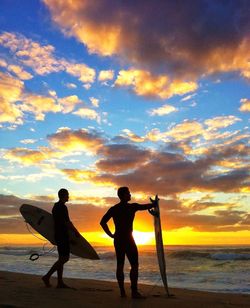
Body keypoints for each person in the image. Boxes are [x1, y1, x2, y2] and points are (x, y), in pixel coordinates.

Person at [100, 186, 157, 299]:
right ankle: (134, 292)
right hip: (129, 240)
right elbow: (146, 206)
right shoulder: (132, 207)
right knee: (134, 265)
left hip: (118, 240)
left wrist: (111, 235)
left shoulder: (114, 209)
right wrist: (155, 203)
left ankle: (122, 292)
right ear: (123, 195)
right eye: (128, 193)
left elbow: (102, 222)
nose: (130, 195)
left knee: (120, 265)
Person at [42, 188, 80, 288]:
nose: (68, 196)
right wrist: (76, 232)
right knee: (65, 258)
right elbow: (67, 222)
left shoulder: (55, 206)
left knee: (61, 258)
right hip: (63, 235)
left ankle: (59, 282)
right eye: (67, 195)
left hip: (58, 234)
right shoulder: (63, 207)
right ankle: (47, 276)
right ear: (63, 195)